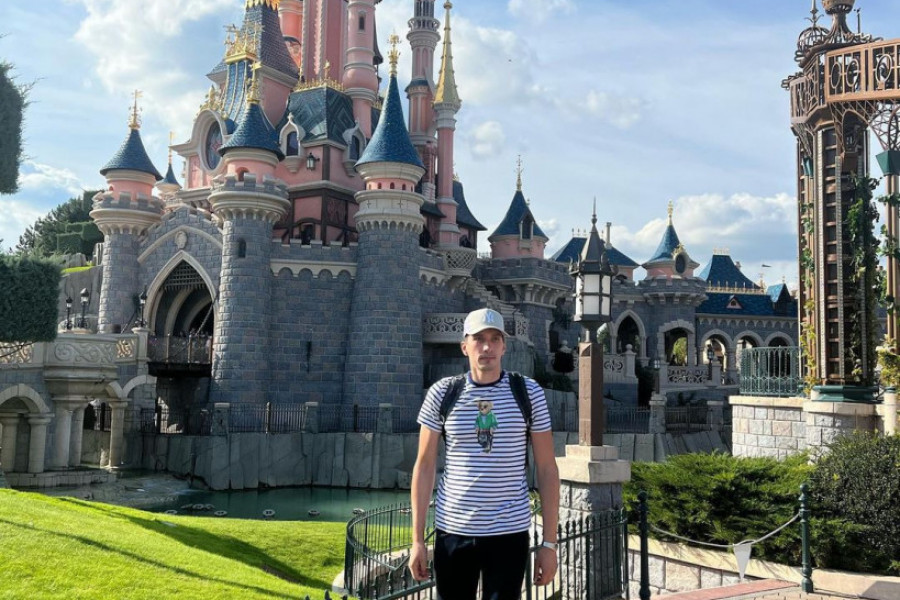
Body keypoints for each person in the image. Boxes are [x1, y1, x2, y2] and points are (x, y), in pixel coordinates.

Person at [409, 307, 560, 599]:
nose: (487, 347)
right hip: (453, 531)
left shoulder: (528, 393)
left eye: (494, 339)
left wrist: (549, 544)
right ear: (464, 346)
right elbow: (424, 466)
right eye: (479, 338)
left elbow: (547, 469)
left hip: (509, 533)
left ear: (504, 346)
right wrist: (417, 540)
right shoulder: (442, 393)